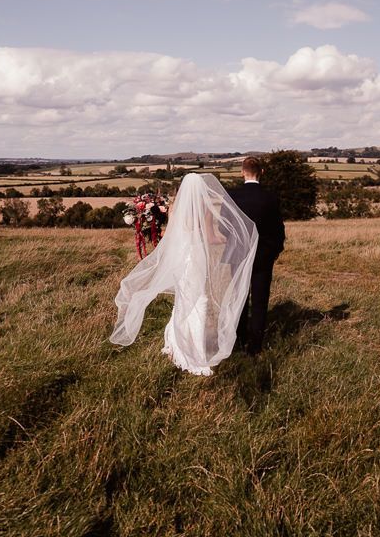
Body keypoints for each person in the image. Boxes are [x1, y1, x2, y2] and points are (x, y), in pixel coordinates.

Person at [110, 173, 258, 376]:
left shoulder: (174, 208)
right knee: (200, 299)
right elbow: (211, 237)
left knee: (184, 297)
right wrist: (229, 241)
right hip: (196, 255)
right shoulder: (204, 209)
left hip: (181, 255)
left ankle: (175, 344)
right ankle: (194, 351)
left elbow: (167, 236)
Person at [228, 156, 285, 354]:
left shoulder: (231, 196)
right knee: (260, 301)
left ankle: (238, 340)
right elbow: (279, 231)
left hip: (236, 255)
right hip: (263, 257)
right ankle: (255, 347)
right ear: (261, 172)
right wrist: (274, 253)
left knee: (239, 298)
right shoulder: (271, 197)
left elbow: (223, 227)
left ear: (242, 172)